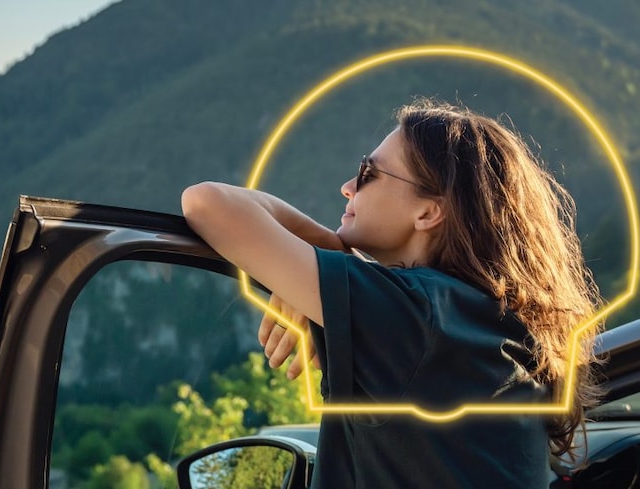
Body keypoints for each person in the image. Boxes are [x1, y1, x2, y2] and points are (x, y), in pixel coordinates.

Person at [180, 99, 602, 488]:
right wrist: (323, 270)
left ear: (428, 211)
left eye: (369, 174)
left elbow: (206, 204)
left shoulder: (417, 316)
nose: (349, 186)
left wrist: (325, 257)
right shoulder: (481, 320)